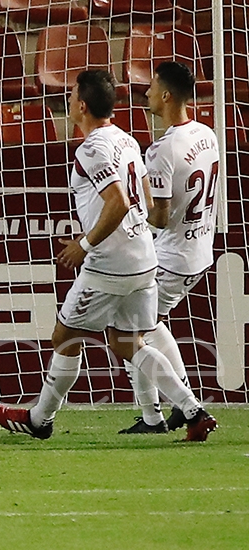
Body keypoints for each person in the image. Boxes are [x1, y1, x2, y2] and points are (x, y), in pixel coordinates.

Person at [0, 69, 217, 442]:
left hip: (110, 265)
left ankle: (40, 419)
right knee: (129, 342)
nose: (68, 100)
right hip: (145, 257)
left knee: (65, 336)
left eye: (72, 95)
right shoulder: (126, 139)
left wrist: (85, 244)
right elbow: (145, 199)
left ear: (81, 105)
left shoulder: (92, 149)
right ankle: (193, 410)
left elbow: (119, 201)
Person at [120, 62, 220, 433]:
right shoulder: (207, 134)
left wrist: (131, 209)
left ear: (166, 95)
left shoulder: (161, 150)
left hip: (172, 256)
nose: (145, 93)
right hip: (200, 250)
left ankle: (162, 414)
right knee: (148, 323)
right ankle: (174, 408)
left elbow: (159, 218)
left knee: (127, 330)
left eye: (151, 87)